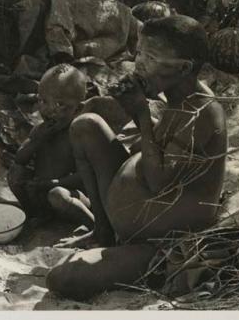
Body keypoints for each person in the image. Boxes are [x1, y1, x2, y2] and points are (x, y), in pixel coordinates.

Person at [46, 15, 227, 300]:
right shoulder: (175, 96)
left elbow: (158, 183)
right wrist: (134, 110)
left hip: (160, 242)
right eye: (139, 53)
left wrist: (141, 115)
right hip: (129, 218)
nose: (138, 64)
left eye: (151, 57)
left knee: (62, 278)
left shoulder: (203, 112)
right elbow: (157, 150)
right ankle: (102, 230)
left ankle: (136, 261)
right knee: (86, 126)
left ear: (184, 68)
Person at [7, 64, 95, 230]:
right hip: (42, 192)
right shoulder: (40, 130)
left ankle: (94, 226)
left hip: (72, 195)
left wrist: (53, 183)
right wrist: (36, 140)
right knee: (15, 173)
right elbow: (20, 159)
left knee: (58, 195)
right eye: (43, 101)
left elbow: (85, 176)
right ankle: (38, 214)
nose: (49, 110)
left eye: (60, 105)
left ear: (78, 109)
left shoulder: (77, 134)